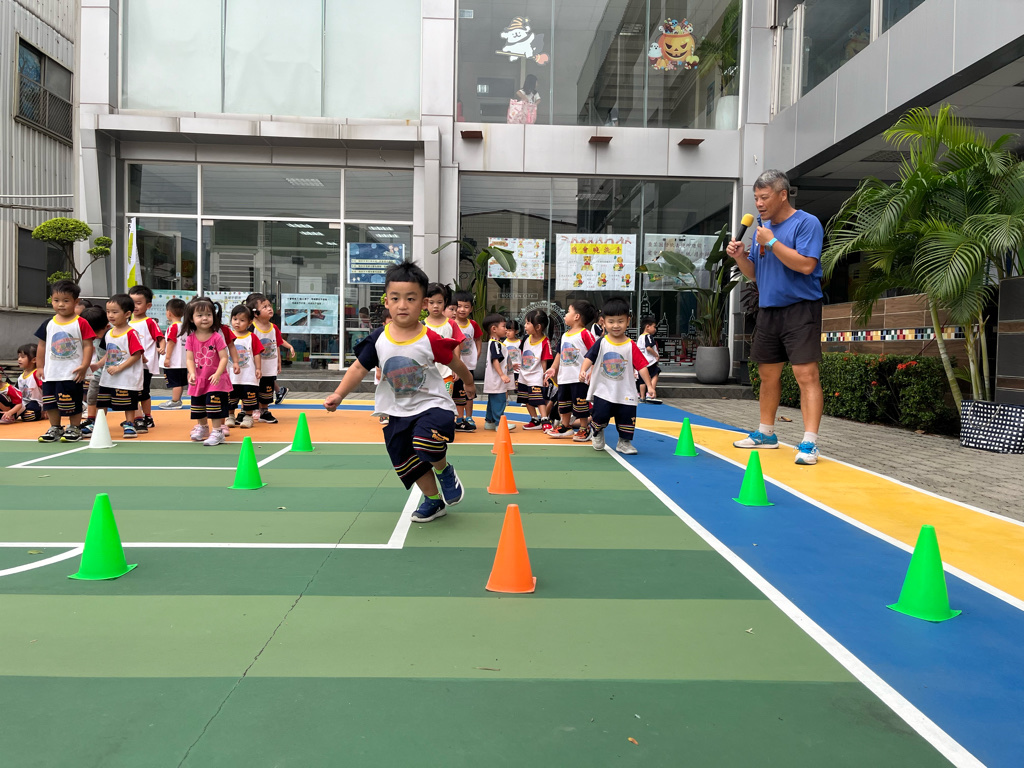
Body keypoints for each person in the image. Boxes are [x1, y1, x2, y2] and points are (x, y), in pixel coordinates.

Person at [323, 262, 475, 524]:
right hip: (396, 411)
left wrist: (469, 383)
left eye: (411, 299)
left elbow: (455, 362)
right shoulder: (378, 338)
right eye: (395, 298)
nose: (402, 305)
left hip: (432, 406)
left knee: (425, 441)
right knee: (407, 461)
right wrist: (339, 394)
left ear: (423, 303)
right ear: (386, 301)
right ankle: (433, 501)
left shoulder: (430, 338)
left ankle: (444, 470)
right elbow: (358, 368)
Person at [727, 169, 825, 465]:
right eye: (756, 197)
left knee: (806, 375)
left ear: (783, 195)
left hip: (801, 308)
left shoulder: (806, 223)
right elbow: (755, 274)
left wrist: (771, 242)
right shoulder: (762, 229)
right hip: (768, 310)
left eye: (764, 197)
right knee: (767, 375)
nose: (758, 203)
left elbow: (806, 265)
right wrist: (740, 256)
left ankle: (809, 443)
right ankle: (766, 433)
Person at [579, 297, 655, 455]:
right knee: (600, 415)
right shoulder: (601, 342)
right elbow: (589, 357)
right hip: (603, 390)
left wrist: (649, 386)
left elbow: (642, 366)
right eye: (611, 321)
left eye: (620, 321)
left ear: (628, 321)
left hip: (625, 390)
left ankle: (624, 442)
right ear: (603, 322)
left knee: (627, 416)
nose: (615, 325)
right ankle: (597, 432)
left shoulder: (631, 345)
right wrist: (583, 370)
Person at [34, 279, 96, 442]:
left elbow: (88, 345)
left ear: (76, 301)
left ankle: (74, 428)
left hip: (72, 373)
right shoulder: (48, 323)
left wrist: (84, 366)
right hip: (51, 373)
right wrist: (40, 367)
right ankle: (55, 427)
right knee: (50, 402)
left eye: (66, 301)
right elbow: (41, 345)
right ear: (51, 300)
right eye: (56, 300)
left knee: (72, 401)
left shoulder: (81, 323)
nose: (61, 304)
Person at [96, 293, 146, 439]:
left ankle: (130, 423)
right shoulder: (109, 333)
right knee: (102, 400)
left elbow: (136, 355)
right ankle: (99, 424)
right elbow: (109, 353)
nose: (110, 315)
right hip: (108, 376)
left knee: (129, 403)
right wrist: (97, 365)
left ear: (127, 314)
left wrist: (119, 368)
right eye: (108, 312)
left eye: (115, 312)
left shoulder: (131, 333)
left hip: (126, 377)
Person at [183, 297, 232, 446]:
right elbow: (189, 359)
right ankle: (203, 428)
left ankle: (217, 432)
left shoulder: (216, 337)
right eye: (200, 315)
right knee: (198, 406)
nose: (205, 318)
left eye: (209, 315)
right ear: (191, 319)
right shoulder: (190, 338)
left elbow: (224, 357)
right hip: (199, 379)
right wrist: (192, 373)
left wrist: (218, 373)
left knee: (214, 406)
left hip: (216, 380)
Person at [545, 299, 596, 441]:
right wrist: (553, 368)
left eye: (568, 311)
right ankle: (565, 426)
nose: (565, 315)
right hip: (564, 377)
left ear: (577, 316)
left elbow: (594, 353)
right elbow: (559, 353)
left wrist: (592, 370)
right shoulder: (565, 335)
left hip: (579, 378)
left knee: (581, 404)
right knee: (564, 404)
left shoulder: (585, 334)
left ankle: (584, 428)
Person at [246, 293, 294, 425]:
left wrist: (279, 361)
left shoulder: (274, 328)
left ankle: (264, 410)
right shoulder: (251, 328)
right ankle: (250, 410)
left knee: (267, 389)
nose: (269, 308)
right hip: (255, 366)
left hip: (269, 366)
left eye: (269, 306)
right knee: (253, 388)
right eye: (264, 307)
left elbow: (276, 343)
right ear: (255, 313)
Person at [128, 285, 166, 434]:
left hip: (145, 364)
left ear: (148, 305)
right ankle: (137, 417)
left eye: (139, 303)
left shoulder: (149, 322)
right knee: (132, 392)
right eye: (132, 303)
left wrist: (162, 347)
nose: (135, 306)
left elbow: (160, 338)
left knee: (143, 393)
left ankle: (147, 417)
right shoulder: (127, 323)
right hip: (130, 364)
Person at [225, 304, 264, 429]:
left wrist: (258, 368)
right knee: (231, 398)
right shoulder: (227, 336)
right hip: (231, 376)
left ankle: (248, 417)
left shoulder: (252, 337)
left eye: (242, 320)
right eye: (235, 319)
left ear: (249, 322)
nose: (237, 322)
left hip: (248, 376)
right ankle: (230, 416)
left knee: (249, 398)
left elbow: (257, 354)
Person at [423, 282, 465, 396]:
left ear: (445, 302)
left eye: (439, 302)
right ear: (425, 303)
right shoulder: (421, 326)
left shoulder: (451, 324)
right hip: (426, 374)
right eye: (431, 302)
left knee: (446, 401)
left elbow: (456, 346)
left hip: (447, 373)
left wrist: (456, 368)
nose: (435, 306)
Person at [518, 308, 554, 430]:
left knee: (539, 399)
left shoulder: (545, 342)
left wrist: (544, 377)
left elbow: (544, 361)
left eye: (528, 323)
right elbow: (522, 355)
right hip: (524, 374)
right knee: (525, 398)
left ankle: (544, 419)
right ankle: (534, 419)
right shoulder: (525, 339)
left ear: (538, 327)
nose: (525, 326)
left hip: (536, 375)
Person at [77, 306, 110, 438]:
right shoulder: (89, 335)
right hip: (98, 373)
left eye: (96, 333)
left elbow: (110, 354)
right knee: (92, 396)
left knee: (124, 397)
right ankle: (91, 420)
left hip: (114, 373)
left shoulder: (111, 335)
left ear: (107, 327)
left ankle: (135, 419)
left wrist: (98, 364)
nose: (94, 336)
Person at [452, 291, 482, 431]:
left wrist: (478, 353)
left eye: (466, 306)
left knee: (469, 393)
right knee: (458, 393)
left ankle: (469, 417)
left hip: (469, 365)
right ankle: (459, 418)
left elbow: (478, 339)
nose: (462, 309)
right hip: (455, 365)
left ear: (471, 309)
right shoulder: (452, 324)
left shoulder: (473, 324)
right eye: (459, 306)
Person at [482, 313, 516, 431]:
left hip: (494, 379)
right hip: (497, 379)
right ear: (494, 329)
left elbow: (499, 360)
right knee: (499, 400)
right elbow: (495, 360)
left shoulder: (495, 343)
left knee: (493, 401)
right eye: (504, 326)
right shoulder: (496, 344)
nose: (506, 329)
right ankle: (499, 423)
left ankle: (490, 421)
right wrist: (502, 375)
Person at [3, 344, 43, 424]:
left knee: (29, 415)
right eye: (18, 357)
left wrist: (47, 409)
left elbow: (47, 391)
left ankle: (41, 414)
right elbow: (16, 393)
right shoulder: (21, 377)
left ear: (34, 360)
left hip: (36, 403)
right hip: (22, 403)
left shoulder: (37, 374)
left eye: (22, 357)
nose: (19, 359)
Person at [159, 298, 188, 410]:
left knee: (175, 383)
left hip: (173, 361)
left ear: (169, 313)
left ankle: (175, 401)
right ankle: (177, 400)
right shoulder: (185, 327)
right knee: (179, 382)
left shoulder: (174, 327)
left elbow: (171, 342)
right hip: (183, 361)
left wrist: (167, 358)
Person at [636, 316, 663, 404]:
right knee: (655, 374)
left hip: (641, 363)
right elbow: (648, 348)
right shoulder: (648, 336)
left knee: (642, 380)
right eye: (654, 327)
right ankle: (650, 393)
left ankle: (642, 397)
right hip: (650, 361)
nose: (655, 329)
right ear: (647, 326)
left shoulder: (640, 337)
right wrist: (656, 355)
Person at [504, 319, 523, 399]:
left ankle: (522, 400)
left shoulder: (520, 342)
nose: (508, 332)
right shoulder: (504, 343)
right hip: (508, 369)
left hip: (518, 369)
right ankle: (505, 400)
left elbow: (522, 355)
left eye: (510, 330)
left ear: (516, 331)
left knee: (519, 386)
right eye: (506, 330)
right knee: (506, 387)